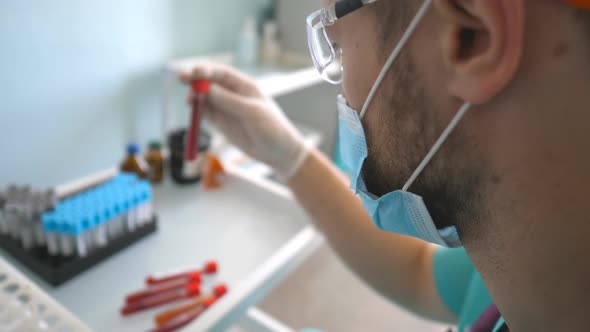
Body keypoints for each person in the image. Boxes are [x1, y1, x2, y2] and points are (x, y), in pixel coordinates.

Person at [181, 0, 590, 331]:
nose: (344, 93)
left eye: (338, 46)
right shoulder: (515, 265)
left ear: (472, 36)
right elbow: (416, 273)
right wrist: (287, 153)